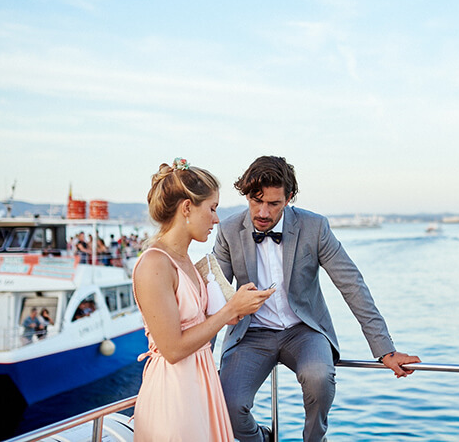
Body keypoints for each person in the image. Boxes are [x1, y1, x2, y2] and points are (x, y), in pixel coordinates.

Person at [214, 156, 420, 442]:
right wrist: (196, 356)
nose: (262, 212)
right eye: (255, 200)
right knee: (226, 404)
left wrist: (385, 349)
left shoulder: (315, 227)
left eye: (273, 204)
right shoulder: (227, 231)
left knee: (320, 379)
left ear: (288, 199)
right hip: (251, 333)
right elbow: (213, 299)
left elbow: (352, 285)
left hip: (304, 330)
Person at [132, 158, 274, 442]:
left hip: (201, 384)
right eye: (212, 208)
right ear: (187, 208)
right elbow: (172, 349)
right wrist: (227, 312)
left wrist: (233, 311)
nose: (216, 219)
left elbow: (195, 328)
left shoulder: (185, 260)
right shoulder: (155, 265)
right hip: (175, 396)